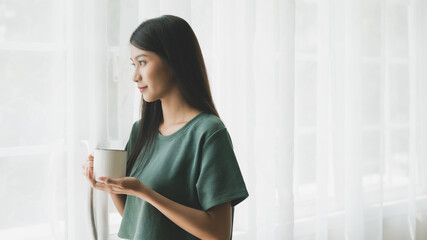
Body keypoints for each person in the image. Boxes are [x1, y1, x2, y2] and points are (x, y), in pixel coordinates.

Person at [82, 15, 249, 240]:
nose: (135, 76)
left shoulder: (208, 133)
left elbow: (218, 233)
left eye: (142, 62)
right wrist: (111, 186)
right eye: (133, 64)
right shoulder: (140, 131)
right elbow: (139, 221)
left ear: (174, 60)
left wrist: (145, 192)